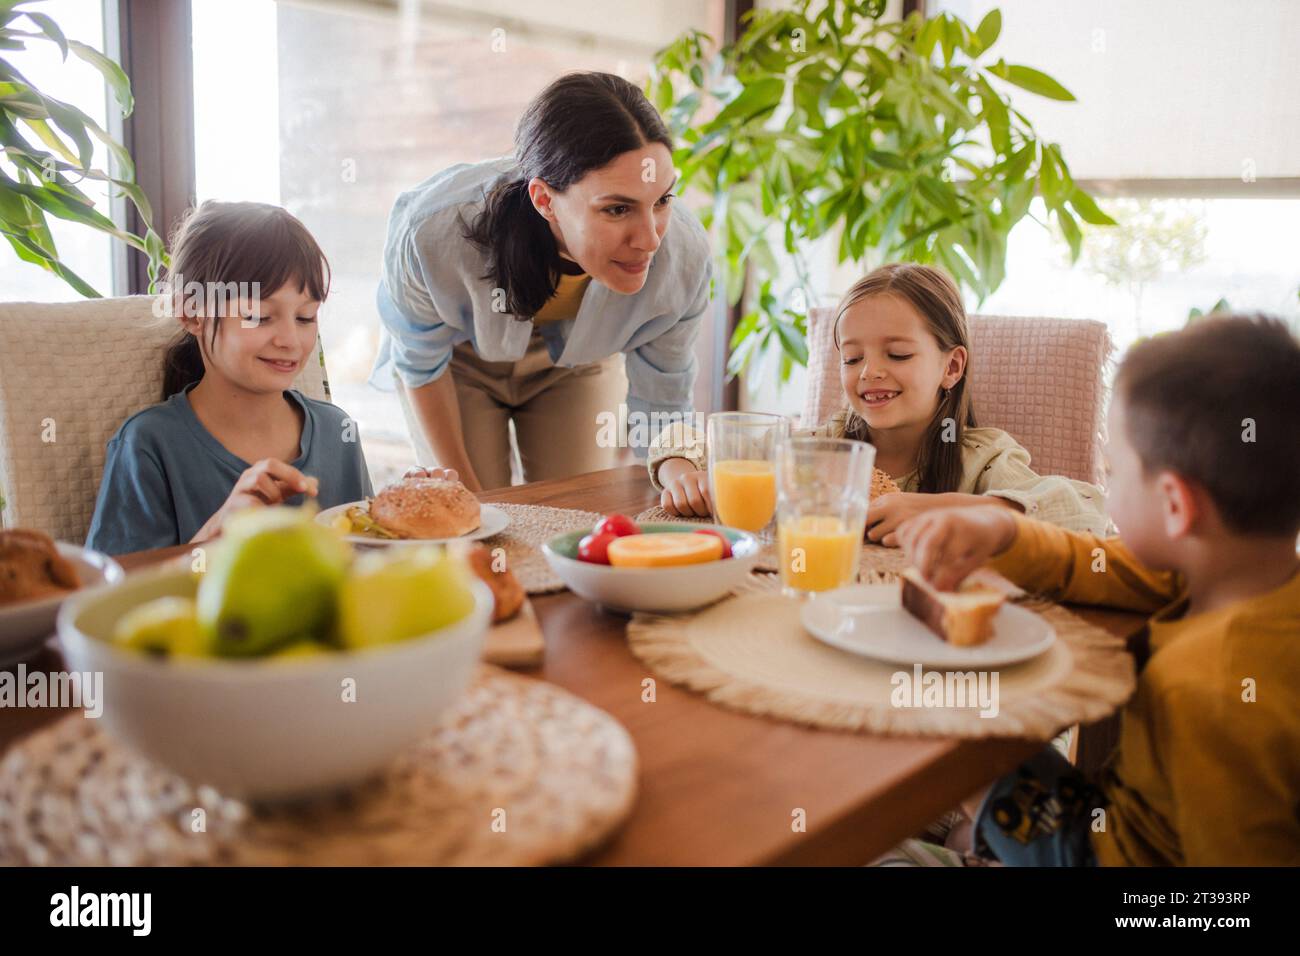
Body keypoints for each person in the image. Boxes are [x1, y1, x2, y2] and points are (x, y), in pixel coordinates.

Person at [897, 315, 1300, 865]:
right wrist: (1004, 530)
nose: (1105, 488)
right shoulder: (1230, 571)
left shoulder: (1214, 691)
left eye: (1112, 472)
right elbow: (1093, 561)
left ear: (1175, 506)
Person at [372, 71, 713, 491]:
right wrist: (469, 498)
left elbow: (664, 397)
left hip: (578, 362)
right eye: (617, 210)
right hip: (457, 363)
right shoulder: (431, 232)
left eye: (661, 200)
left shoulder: (684, 257)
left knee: (571, 511)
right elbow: (420, 365)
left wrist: (680, 472)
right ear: (544, 200)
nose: (650, 239)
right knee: (479, 517)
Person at [650, 263, 1109, 541]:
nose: (870, 371)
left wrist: (941, 507)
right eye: (852, 358)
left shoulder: (980, 459)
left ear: (951, 367)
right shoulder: (819, 448)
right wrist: (682, 474)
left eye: (898, 354)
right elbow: (679, 437)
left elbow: (1086, 511)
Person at [86, 201, 372, 555]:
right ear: (192, 314)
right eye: (259, 315)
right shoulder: (148, 446)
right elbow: (114, 598)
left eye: (305, 318)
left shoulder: (337, 431)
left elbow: (369, 560)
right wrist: (216, 535)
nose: (290, 340)